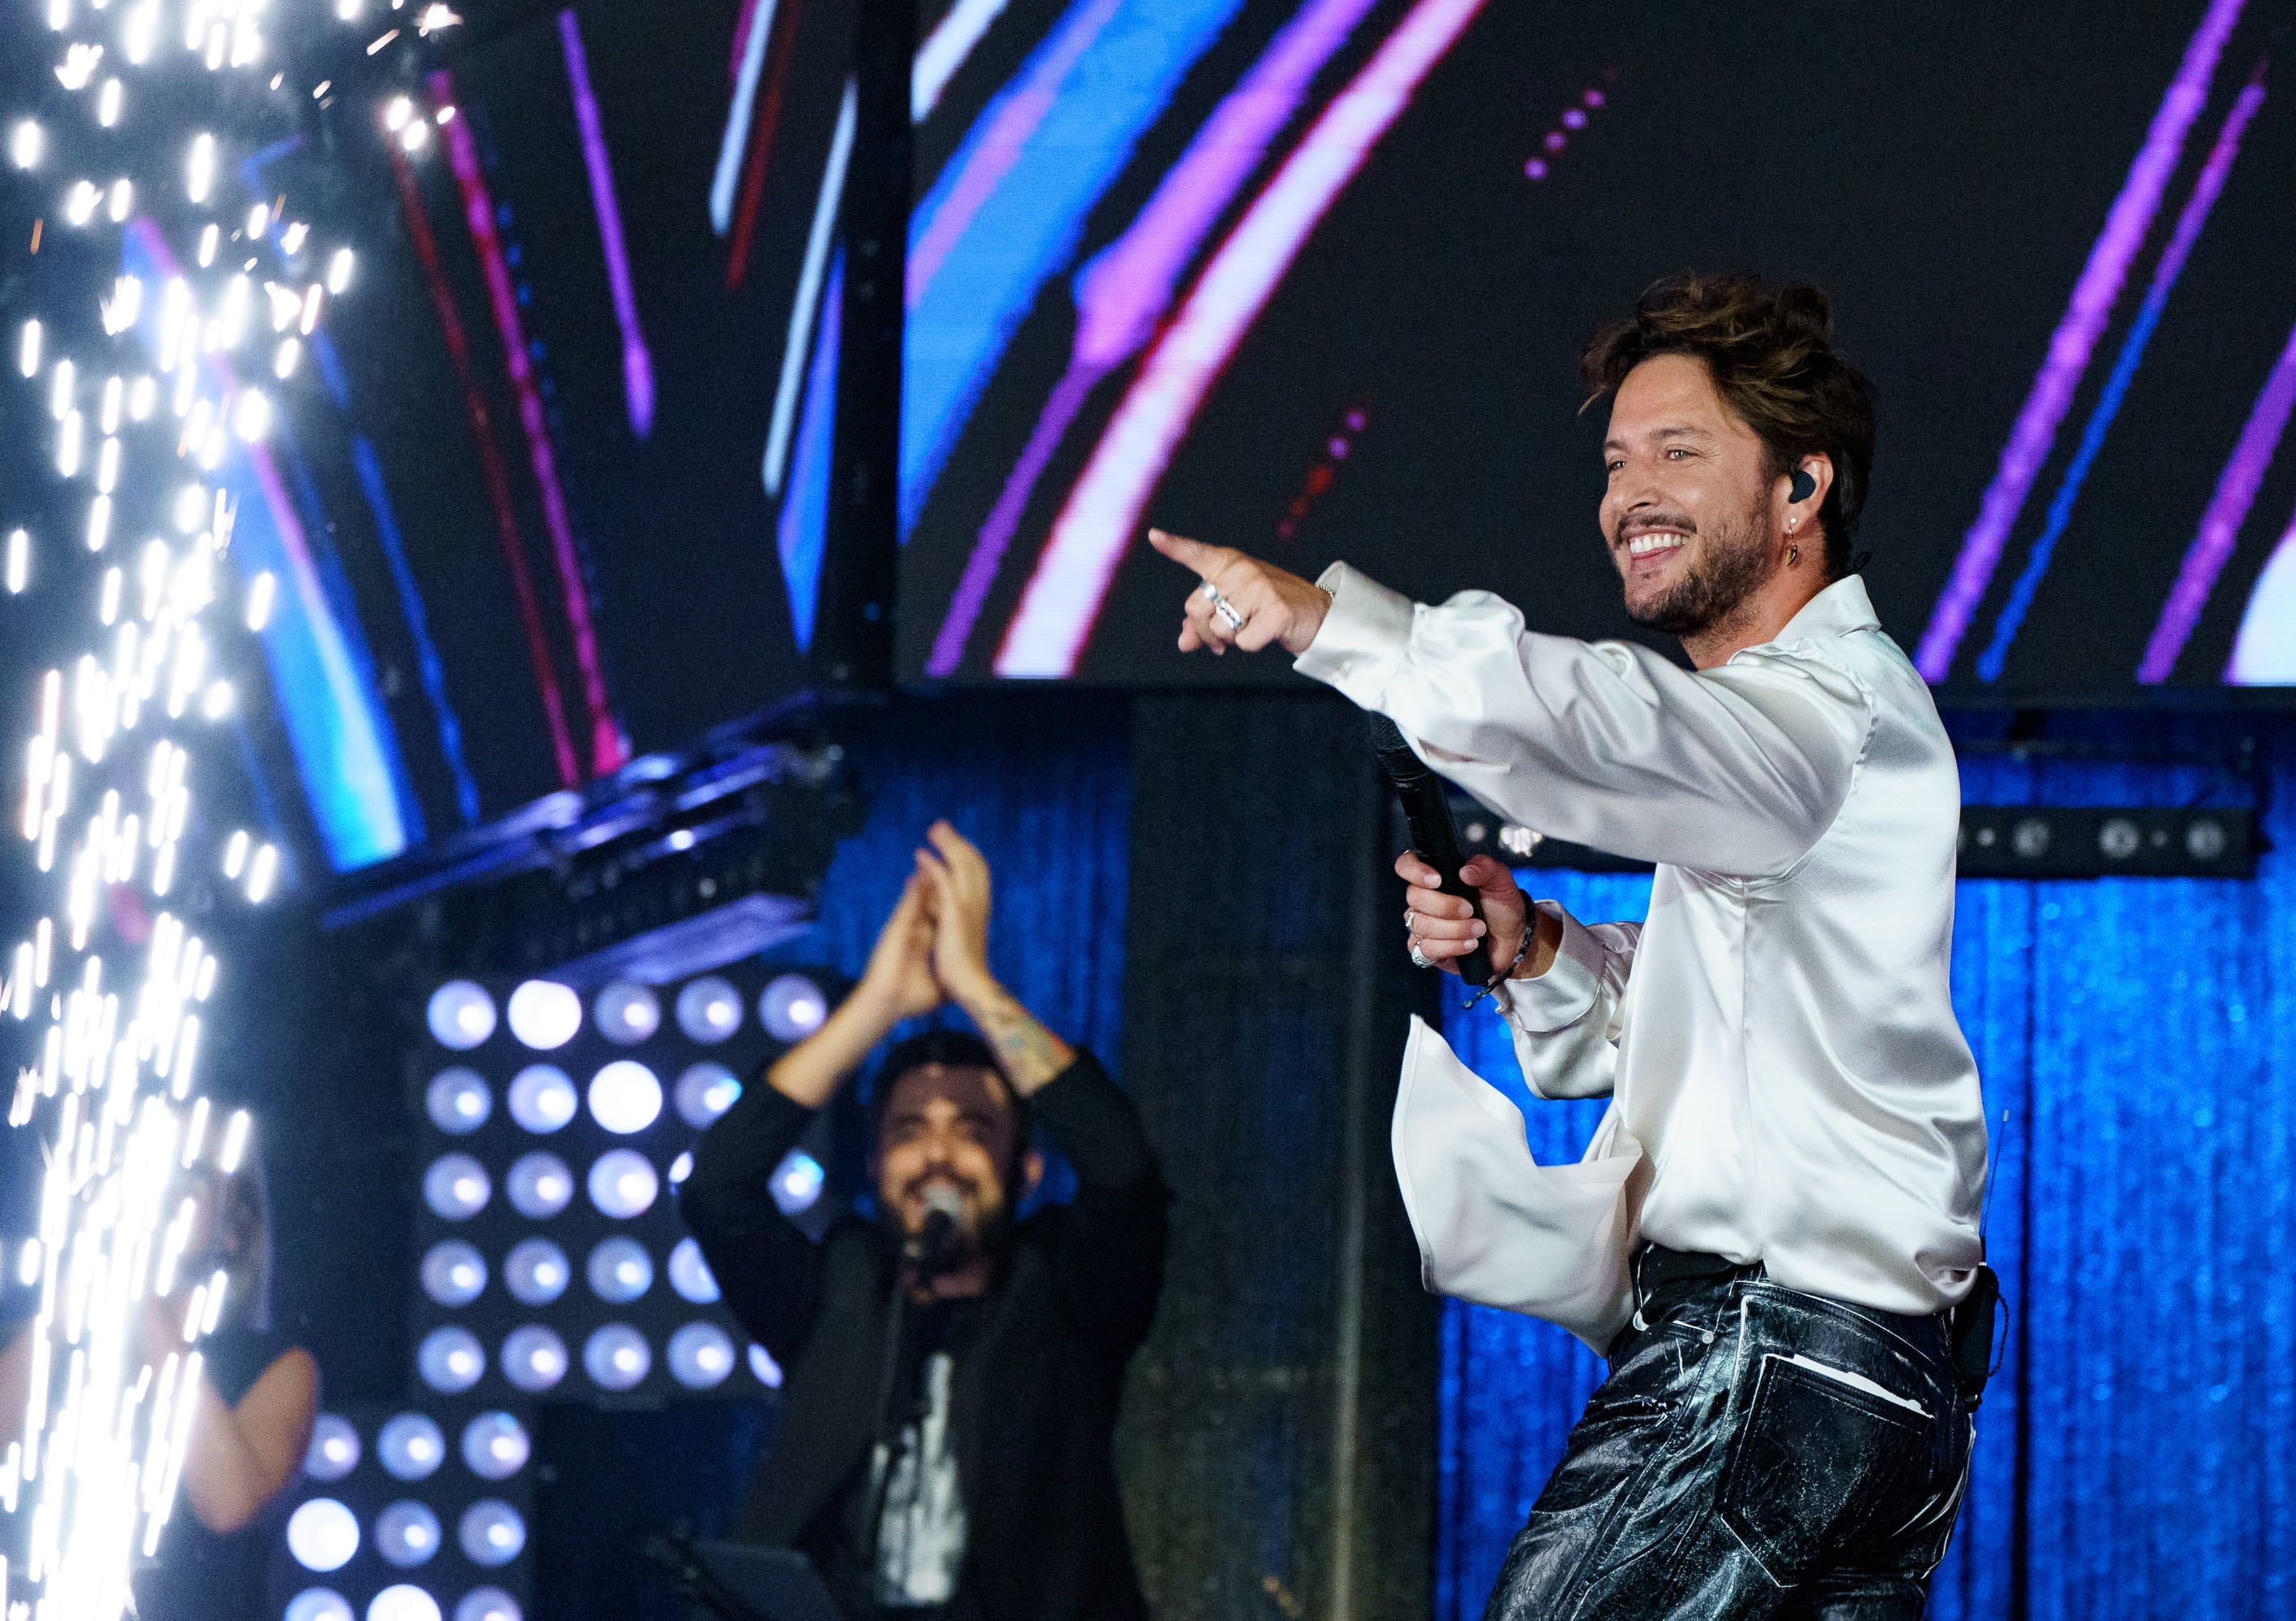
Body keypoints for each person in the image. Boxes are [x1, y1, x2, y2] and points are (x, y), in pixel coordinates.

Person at [1151, 271, 1989, 1618]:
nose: (1629, 496)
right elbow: (1740, 1028)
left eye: (1679, 452)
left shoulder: (1819, 714)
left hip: (1769, 1365)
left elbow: (1608, 723)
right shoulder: (1807, 731)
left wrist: (1337, 626)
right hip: (1874, 1394)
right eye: (1616, 461)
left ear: (1801, 491)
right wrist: (1536, 947)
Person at [681, 822, 1168, 1621]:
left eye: (972, 1131)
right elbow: (719, 1187)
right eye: (909, 1131)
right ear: (874, 1166)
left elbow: (1124, 1169)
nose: (938, 1152)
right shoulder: (842, 1287)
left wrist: (974, 984)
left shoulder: (1063, 1293)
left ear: (1026, 1169)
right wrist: (875, 1005)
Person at [0, 1154, 320, 1621]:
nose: (161, 1182)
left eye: (192, 1171)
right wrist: (62, 1306)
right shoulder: (35, 1342)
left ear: (236, 1228)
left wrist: (134, 1292)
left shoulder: (279, 1367)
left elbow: (227, 1504)